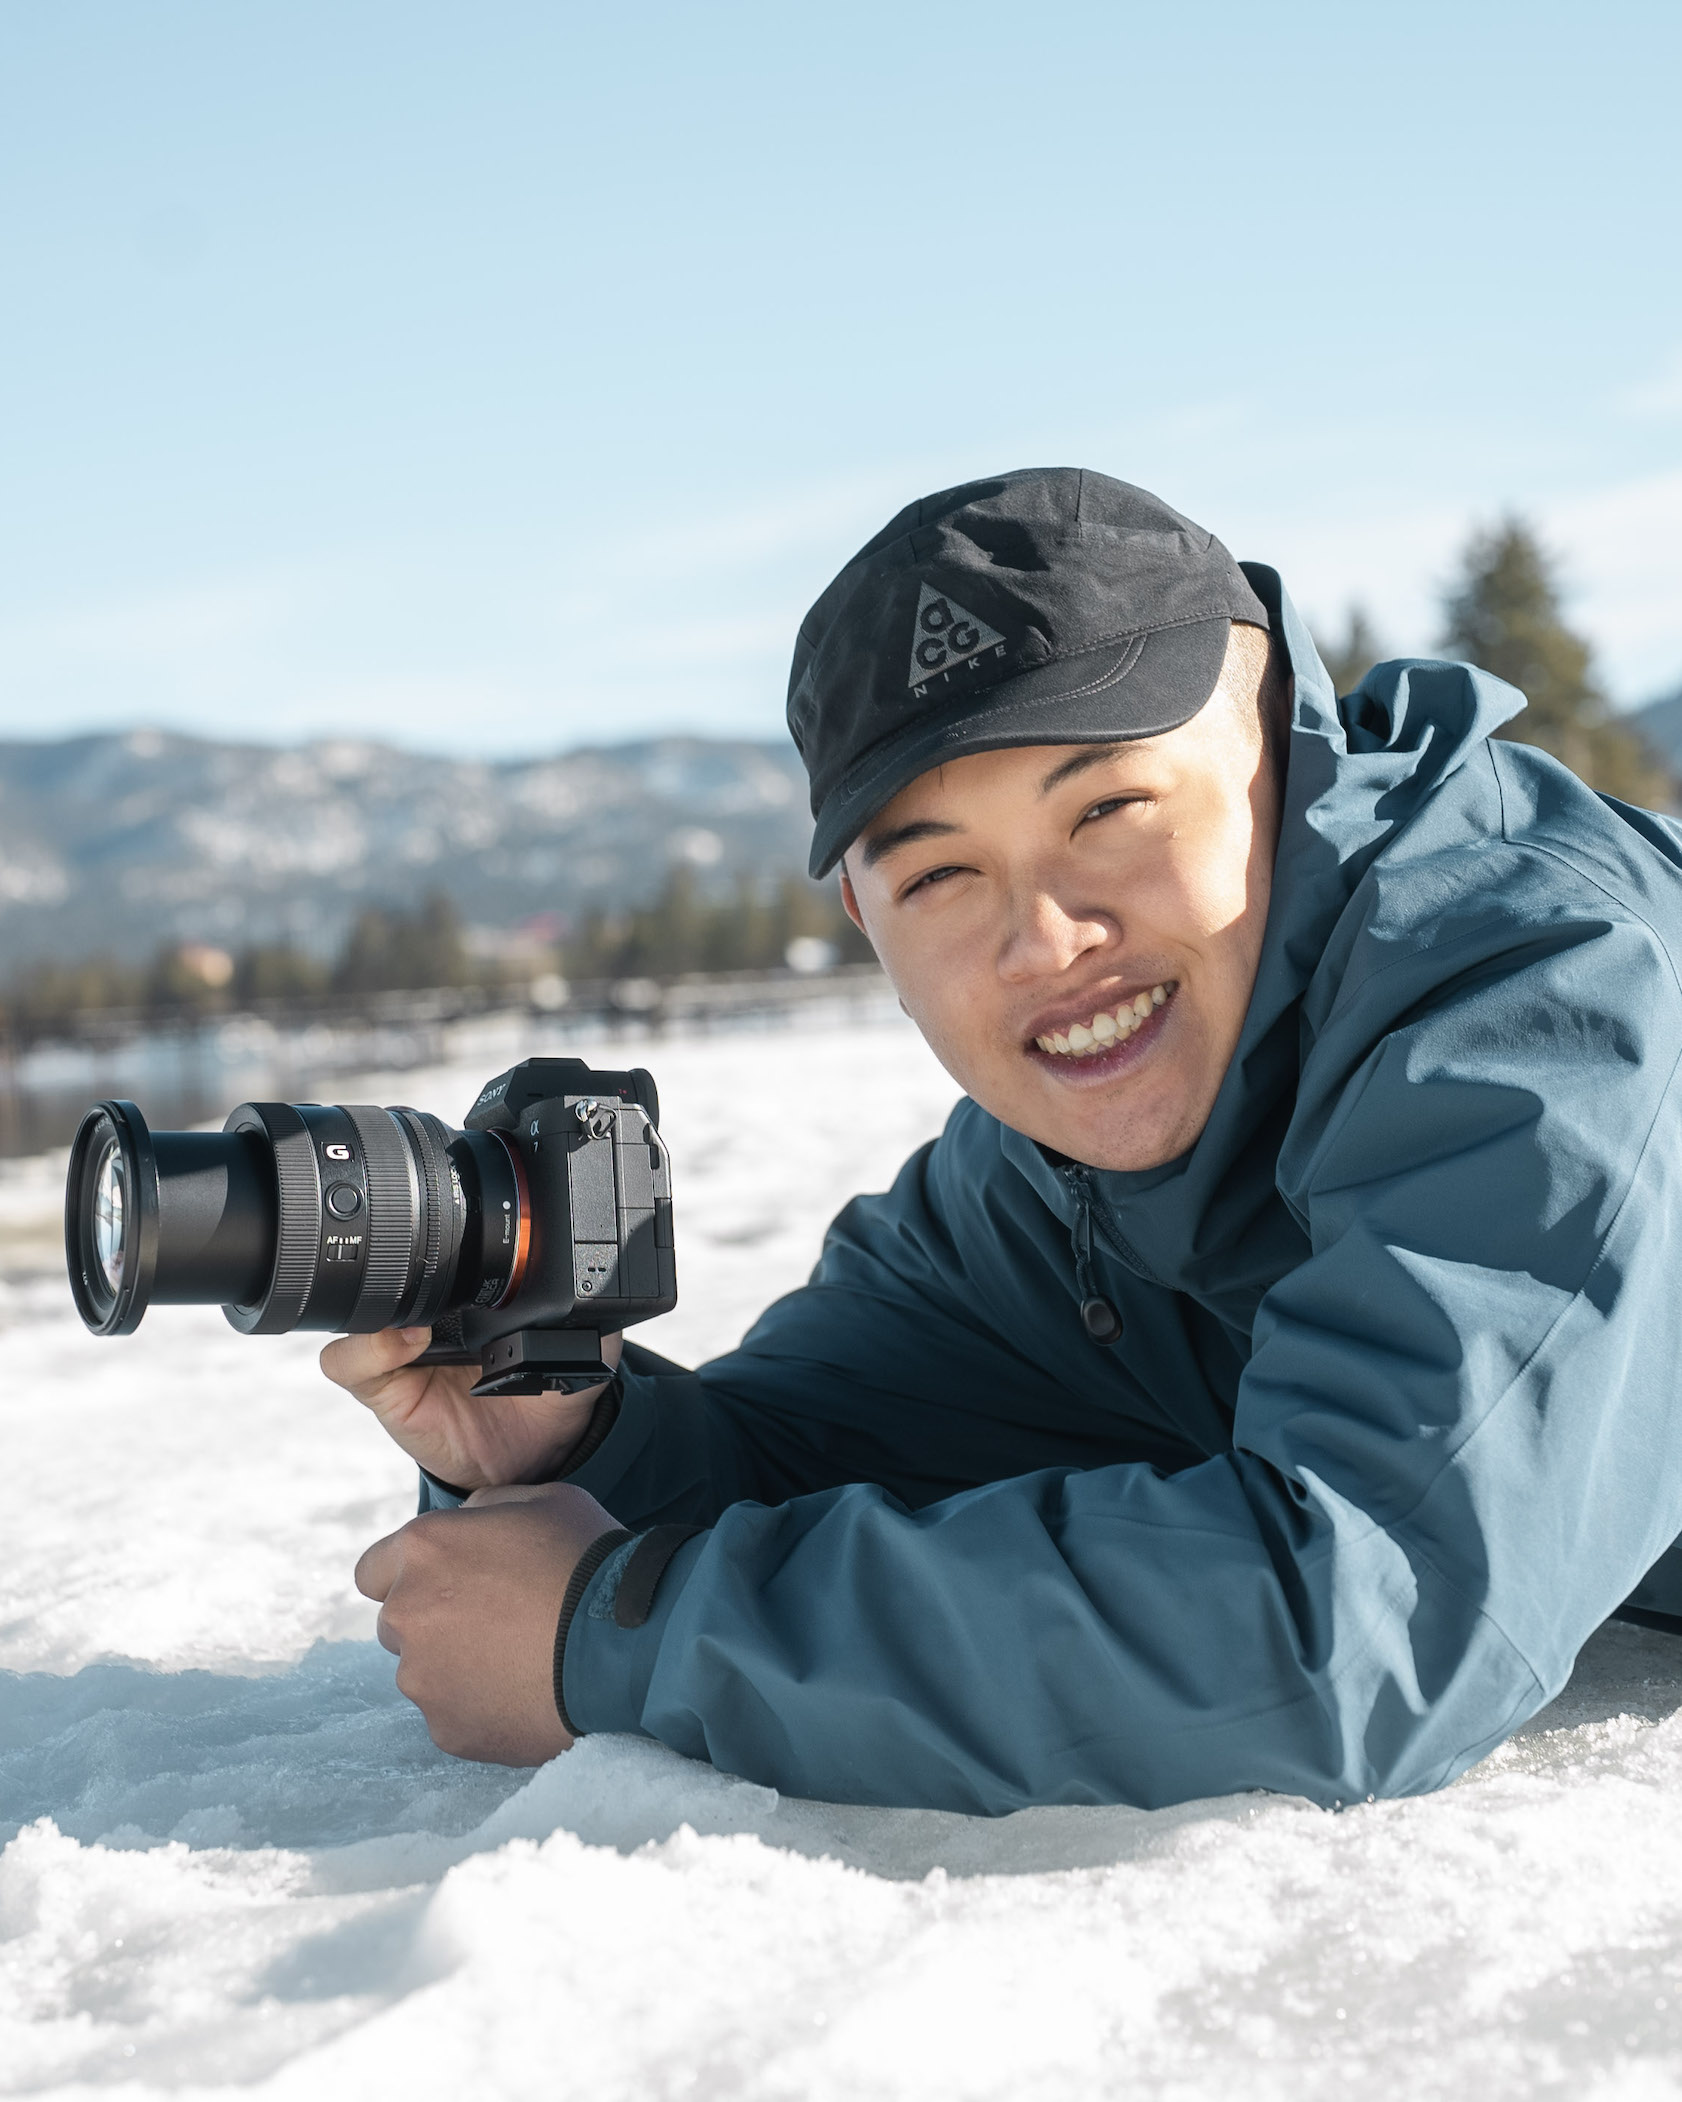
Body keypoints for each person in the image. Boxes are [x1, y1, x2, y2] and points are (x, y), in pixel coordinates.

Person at [333, 469, 1682, 1813]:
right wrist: (571, 1444)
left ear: (1278, 743)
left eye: (1108, 812)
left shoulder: (1536, 1001)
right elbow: (800, 1455)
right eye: (939, 875)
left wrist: (628, 1633)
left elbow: (1356, 1621)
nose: (1042, 941)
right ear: (869, 923)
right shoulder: (1052, 1192)